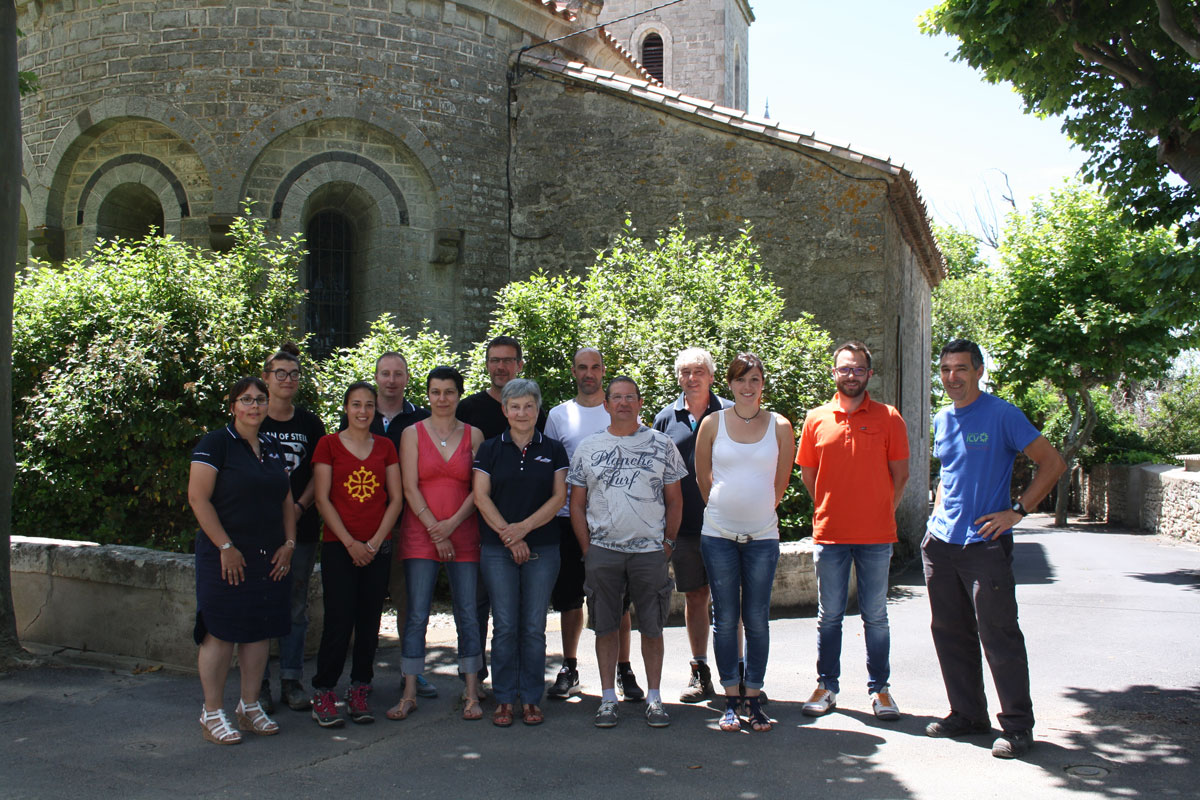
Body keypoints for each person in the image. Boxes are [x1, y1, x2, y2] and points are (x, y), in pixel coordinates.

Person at [924, 339, 1065, 760]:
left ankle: (1019, 727)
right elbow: (948, 475)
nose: (953, 377)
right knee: (950, 633)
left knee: (999, 636)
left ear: (979, 370)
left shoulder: (1003, 414)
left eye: (961, 368)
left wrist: (1017, 511)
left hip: (985, 545)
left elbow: (1052, 463)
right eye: (946, 369)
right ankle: (967, 714)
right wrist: (934, 522)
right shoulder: (942, 419)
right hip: (942, 544)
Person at [796, 341, 909, 721]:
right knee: (829, 615)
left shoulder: (889, 417)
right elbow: (809, 474)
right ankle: (827, 686)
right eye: (844, 368)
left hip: (876, 536)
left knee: (875, 616)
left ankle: (881, 690)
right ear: (834, 373)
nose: (851, 375)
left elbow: (901, 475)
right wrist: (832, 506)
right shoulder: (816, 418)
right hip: (830, 535)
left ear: (869, 374)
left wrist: (880, 511)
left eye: (858, 369)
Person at [570, 376, 687, 729]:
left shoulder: (662, 444)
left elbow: (675, 499)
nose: (623, 403)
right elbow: (576, 504)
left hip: (650, 552)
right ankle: (608, 698)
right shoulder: (588, 448)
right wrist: (588, 549)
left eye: (630, 397)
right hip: (603, 552)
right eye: (616, 397)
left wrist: (667, 544)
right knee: (605, 627)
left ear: (640, 403)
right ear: (605, 404)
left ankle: (654, 698)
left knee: (652, 628)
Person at [188, 376, 296, 745]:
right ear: (233, 405)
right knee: (219, 631)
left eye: (260, 400)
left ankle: (249, 707)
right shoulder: (215, 444)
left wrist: (290, 543)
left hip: (268, 555)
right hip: (225, 556)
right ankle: (212, 712)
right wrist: (225, 546)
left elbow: (286, 498)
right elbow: (198, 499)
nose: (254, 406)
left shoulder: (270, 445)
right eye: (246, 400)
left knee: (259, 630)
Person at [694, 353, 795, 732]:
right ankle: (730, 700)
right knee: (724, 620)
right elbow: (703, 477)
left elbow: (781, 481)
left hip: (763, 537)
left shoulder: (781, 426)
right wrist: (722, 509)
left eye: (754, 379)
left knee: (756, 619)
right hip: (718, 535)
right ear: (731, 384)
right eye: (741, 380)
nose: (747, 387)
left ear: (762, 383)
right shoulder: (712, 423)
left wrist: (757, 510)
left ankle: (754, 698)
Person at [544, 348, 643, 702]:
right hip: (568, 520)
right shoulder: (558, 415)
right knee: (570, 599)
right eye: (582, 367)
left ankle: (623, 668)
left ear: (604, 371)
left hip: (616, 522)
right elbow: (553, 471)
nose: (589, 373)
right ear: (573, 371)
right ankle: (570, 667)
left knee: (619, 602)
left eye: (595, 367)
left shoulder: (619, 408)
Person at [390, 366, 486, 722]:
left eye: (449, 392)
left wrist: (451, 526)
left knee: (468, 615)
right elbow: (409, 486)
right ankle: (410, 692)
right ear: (427, 395)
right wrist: (435, 528)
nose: (442, 399)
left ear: (459, 395)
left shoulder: (474, 435)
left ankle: (472, 693)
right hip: (421, 534)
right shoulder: (412, 433)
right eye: (435, 392)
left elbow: (479, 489)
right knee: (416, 615)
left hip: (463, 531)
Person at [340, 351, 438, 700]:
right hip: (360, 526)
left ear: (407, 379)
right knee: (357, 604)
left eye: (398, 374)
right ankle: (353, 677)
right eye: (385, 374)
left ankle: (410, 672)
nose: (391, 380)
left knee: (408, 602)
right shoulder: (357, 413)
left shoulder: (421, 419)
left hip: (405, 524)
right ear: (376, 376)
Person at [473, 378, 568, 726]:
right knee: (506, 626)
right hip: (497, 548)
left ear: (537, 408)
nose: (522, 412)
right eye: (515, 406)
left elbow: (559, 498)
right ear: (505, 410)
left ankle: (530, 699)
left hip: (543, 547)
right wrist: (509, 537)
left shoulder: (554, 449)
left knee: (533, 627)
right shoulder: (489, 448)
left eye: (529, 406)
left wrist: (523, 530)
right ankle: (503, 699)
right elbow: (481, 496)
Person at [309, 382, 404, 727]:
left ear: (376, 408)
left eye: (368, 405)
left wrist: (375, 542)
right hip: (340, 547)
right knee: (339, 620)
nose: (362, 412)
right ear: (346, 408)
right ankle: (324, 690)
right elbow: (322, 499)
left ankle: (360, 688)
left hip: (377, 547)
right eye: (355, 405)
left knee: (369, 622)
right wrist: (350, 543)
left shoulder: (386, 447)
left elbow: (395, 498)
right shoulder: (328, 445)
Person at [455, 335, 545, 692]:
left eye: (508, 360)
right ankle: (473, 682)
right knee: (477, 606)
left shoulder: (537, 409)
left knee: (518, 616)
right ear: (487, 364)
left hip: (527, 528)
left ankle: (521, 683)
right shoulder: (469, 409)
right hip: (478, 523)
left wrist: (517, 531)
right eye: (495, 360)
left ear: (520, 364)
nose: (501, 366)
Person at [652, 347, 730, 703]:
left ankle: (736, 673)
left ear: (711, 376)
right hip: (685, 528)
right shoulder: (665, 419)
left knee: (731, 602)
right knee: (695, 597)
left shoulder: (732, 413)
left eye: (698, 371)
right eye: (684, 372)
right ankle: (700, 672)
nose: (691, 378)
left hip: (728, 525)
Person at [259, 344, 327, 713]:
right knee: (261, 604)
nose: (288, 380)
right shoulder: (254, 419)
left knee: (295, 606)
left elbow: (320, 474)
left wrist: (299, 506)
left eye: (294, 374)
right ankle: (260, 684)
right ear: (267, 378)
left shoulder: (309, 424)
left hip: (300, 530)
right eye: (280, 373)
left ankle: (291, 679)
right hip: (258, 532)